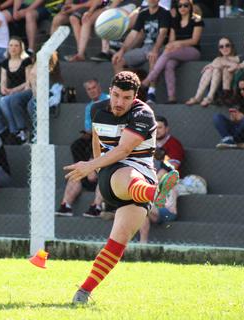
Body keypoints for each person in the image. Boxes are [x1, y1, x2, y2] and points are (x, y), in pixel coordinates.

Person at [64, 71, 179, 304]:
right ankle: (155, 193)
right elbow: (98, 140)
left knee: (118, 242)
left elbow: (125, 149)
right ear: (110, 91)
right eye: (116, 95)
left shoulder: (144, 114)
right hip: (114, 176)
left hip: (141, 179)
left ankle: (83, 292)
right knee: (127, 173)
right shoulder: (98, 109)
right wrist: (96, 168)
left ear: (135, 97)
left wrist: (90, 165)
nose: (119, 102)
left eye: (126, 98)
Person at [56, 78, 109, 218]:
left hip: (109, 141)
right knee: (77, 145)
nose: (92, 91)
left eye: (94, 87)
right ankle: (65, 205)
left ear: (99, 87)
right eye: (89, 89)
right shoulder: (89, 107)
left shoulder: (109, 101)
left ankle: (96, 206)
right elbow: (88, 128)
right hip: (94, 138)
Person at [141, 0, 204, 104]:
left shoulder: (197, 20)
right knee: (169, 64)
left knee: (167, 52)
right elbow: (171, 41)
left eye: (185, 5)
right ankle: (172, 97)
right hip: (177, 51)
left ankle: (148, 80)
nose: (182, 8)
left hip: (193, 51)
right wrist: (173, 45)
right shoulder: (175, 21)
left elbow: (194, 40)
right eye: (180, 6)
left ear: (190, 6)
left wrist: (177, 44)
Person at [111, 0, 171, 104]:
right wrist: (121, 51)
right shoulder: (143, 14)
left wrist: (155, 50)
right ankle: (123, 93)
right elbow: (133, 34)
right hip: (145, 47)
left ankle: (151, 94)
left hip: (161, 47)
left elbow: (163, 33)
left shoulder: (164, 13)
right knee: (118, 61)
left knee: (153, 57)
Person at [0, 36, 32, 144]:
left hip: (22, 91)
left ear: (21, 48)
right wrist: (3, 88)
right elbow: (3, 80)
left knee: (4, 101)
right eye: (11, 45)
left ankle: (16, 131)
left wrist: (14, 90)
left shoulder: (26, 61)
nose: (13, 48)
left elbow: (28, 82)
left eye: (16, 46)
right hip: (10, 91)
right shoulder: (5, 62)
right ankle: (3, 132)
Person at [185, 37, 238, 107]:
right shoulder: (218, 59)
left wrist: (216, 64)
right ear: (219, 49)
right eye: (221, 46)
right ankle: (198, 97)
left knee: (215, 68)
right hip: (218, 91)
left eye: (227, 45)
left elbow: (227, 63)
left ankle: (209, 97)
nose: (224, 48)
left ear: (232, 46)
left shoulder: (236, 58)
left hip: (229, 93)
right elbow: (218, 62)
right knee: (210, 70)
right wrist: (214, 65)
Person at [213, 73, 244, 149]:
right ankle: (229, 141)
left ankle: (235, 143)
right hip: (239, 130)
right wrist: (235, 119)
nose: (242, 92)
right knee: (217, 117)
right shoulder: (242, 101)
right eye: (240, 90)